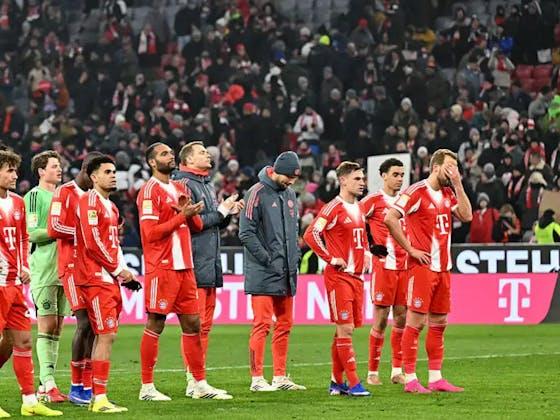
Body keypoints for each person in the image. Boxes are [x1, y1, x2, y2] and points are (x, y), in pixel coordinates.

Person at [137, 142, 232, 401]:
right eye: (164, 154)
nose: (170, 156)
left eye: (170, 152)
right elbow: (150, 233)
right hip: (163, 267)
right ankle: (147, 387)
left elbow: (197, 225)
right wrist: (182, 217)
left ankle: (198, 384)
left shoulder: (179, 188)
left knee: (193, 324)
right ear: (152, 162)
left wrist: (193, 214)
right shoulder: (149, 191)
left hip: (186, 267)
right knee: (156, 323)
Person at [385, 149, 472, 393]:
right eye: (450, 167)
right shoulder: (416, 192)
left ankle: (435, 378)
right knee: (415, 322)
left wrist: (458, 184)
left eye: (455, 168)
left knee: (440, 322)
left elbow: (467, 216)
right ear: (436, 167)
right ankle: (411, 379)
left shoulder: (448, 193)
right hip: (422, 268)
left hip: (443, 268)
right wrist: (410, 249)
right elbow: (390, 218)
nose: (453, 172)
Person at [172, 141, 244, 397]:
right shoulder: (183, 184)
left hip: (209, 261)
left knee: (204, 326)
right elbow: (195, 223)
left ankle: (198, 379)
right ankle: (193, 380)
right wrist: (221, 211)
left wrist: (227, 213)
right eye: (202, 152)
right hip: (194, 261)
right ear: (189, 160)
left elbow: (212, 224)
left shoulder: (206, 184)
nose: (208, 155)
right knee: (195, 325)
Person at [75, 155, 140, 413]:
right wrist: (117, 269)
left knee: (106, 335)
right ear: (93, 177)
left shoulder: (111, 207)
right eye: (107, 172)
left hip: (109, 279)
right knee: (106, 335)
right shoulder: (88, 201)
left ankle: (96, 395)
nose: (113, 175)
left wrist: (124, 272)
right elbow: (92, 242)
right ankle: (99, 398)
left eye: (114, 172)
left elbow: (113, 244)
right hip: (95, 278)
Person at [0, 150, 62, 417]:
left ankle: (29, 401)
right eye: (9, 170)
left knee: (23, 341)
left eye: (15, 170)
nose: (15, 175)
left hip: (15, 283)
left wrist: (24, 265)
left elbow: (24, 238)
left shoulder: (17, 202)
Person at [303, 161, 372, 397]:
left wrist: (367, 254)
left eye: (363, 179)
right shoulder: (333, 207)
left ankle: (336, 382)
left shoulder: (359, 207)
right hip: (339, 277)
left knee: (343, 330)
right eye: (357, 179)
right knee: (346, 328)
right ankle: (354, 383)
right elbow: (311, 234)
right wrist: (330, 257)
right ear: (342, 180)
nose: (362, 183)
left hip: (357, 277)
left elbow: (359, 238)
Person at [239, 151, 306, 392]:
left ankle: (279, 377)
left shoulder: (290, 195)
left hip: (286, 271)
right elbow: (246, 232)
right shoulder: (256, 192)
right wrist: (267, 259)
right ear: (277, 171)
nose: (291, 182)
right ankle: (257, 379)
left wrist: (294, 257)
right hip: (263, 271)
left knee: (285, 324)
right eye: (289, 177)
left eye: (294, 178)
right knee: (262, 324)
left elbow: (293, 232)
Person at [47, 152, 103, 406]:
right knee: (84, 322)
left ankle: (87, 385)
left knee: (94, 325)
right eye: (97, 174)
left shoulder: (95, 196)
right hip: (71, 266)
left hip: (92, 267)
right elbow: (54, 228)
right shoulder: (64, 192)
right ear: (86, 171)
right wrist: (86, 233)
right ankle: (76, 385)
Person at [24, 151, 68, 402]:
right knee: (47, 325)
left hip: (64, 269)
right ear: (41, 171)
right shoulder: (34, 196)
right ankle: (47, 383)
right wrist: (59, 230)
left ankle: (46, 384)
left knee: (58, 328)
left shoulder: (63, 196)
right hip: (44, 268)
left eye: (59, 166)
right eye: (54, 166)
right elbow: (31, 232)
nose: (59, 169)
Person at [360, 158, 407, 386]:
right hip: (383, 266)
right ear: (384, 176)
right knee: (380, 320)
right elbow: (355, 221)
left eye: (402, 175)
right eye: (395, 174)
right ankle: (372, 372)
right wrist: (368, 246)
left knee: (402, 318)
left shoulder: (406, 201)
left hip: (404, 267)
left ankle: (397, 370)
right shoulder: (373, 201)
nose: (399, 179)